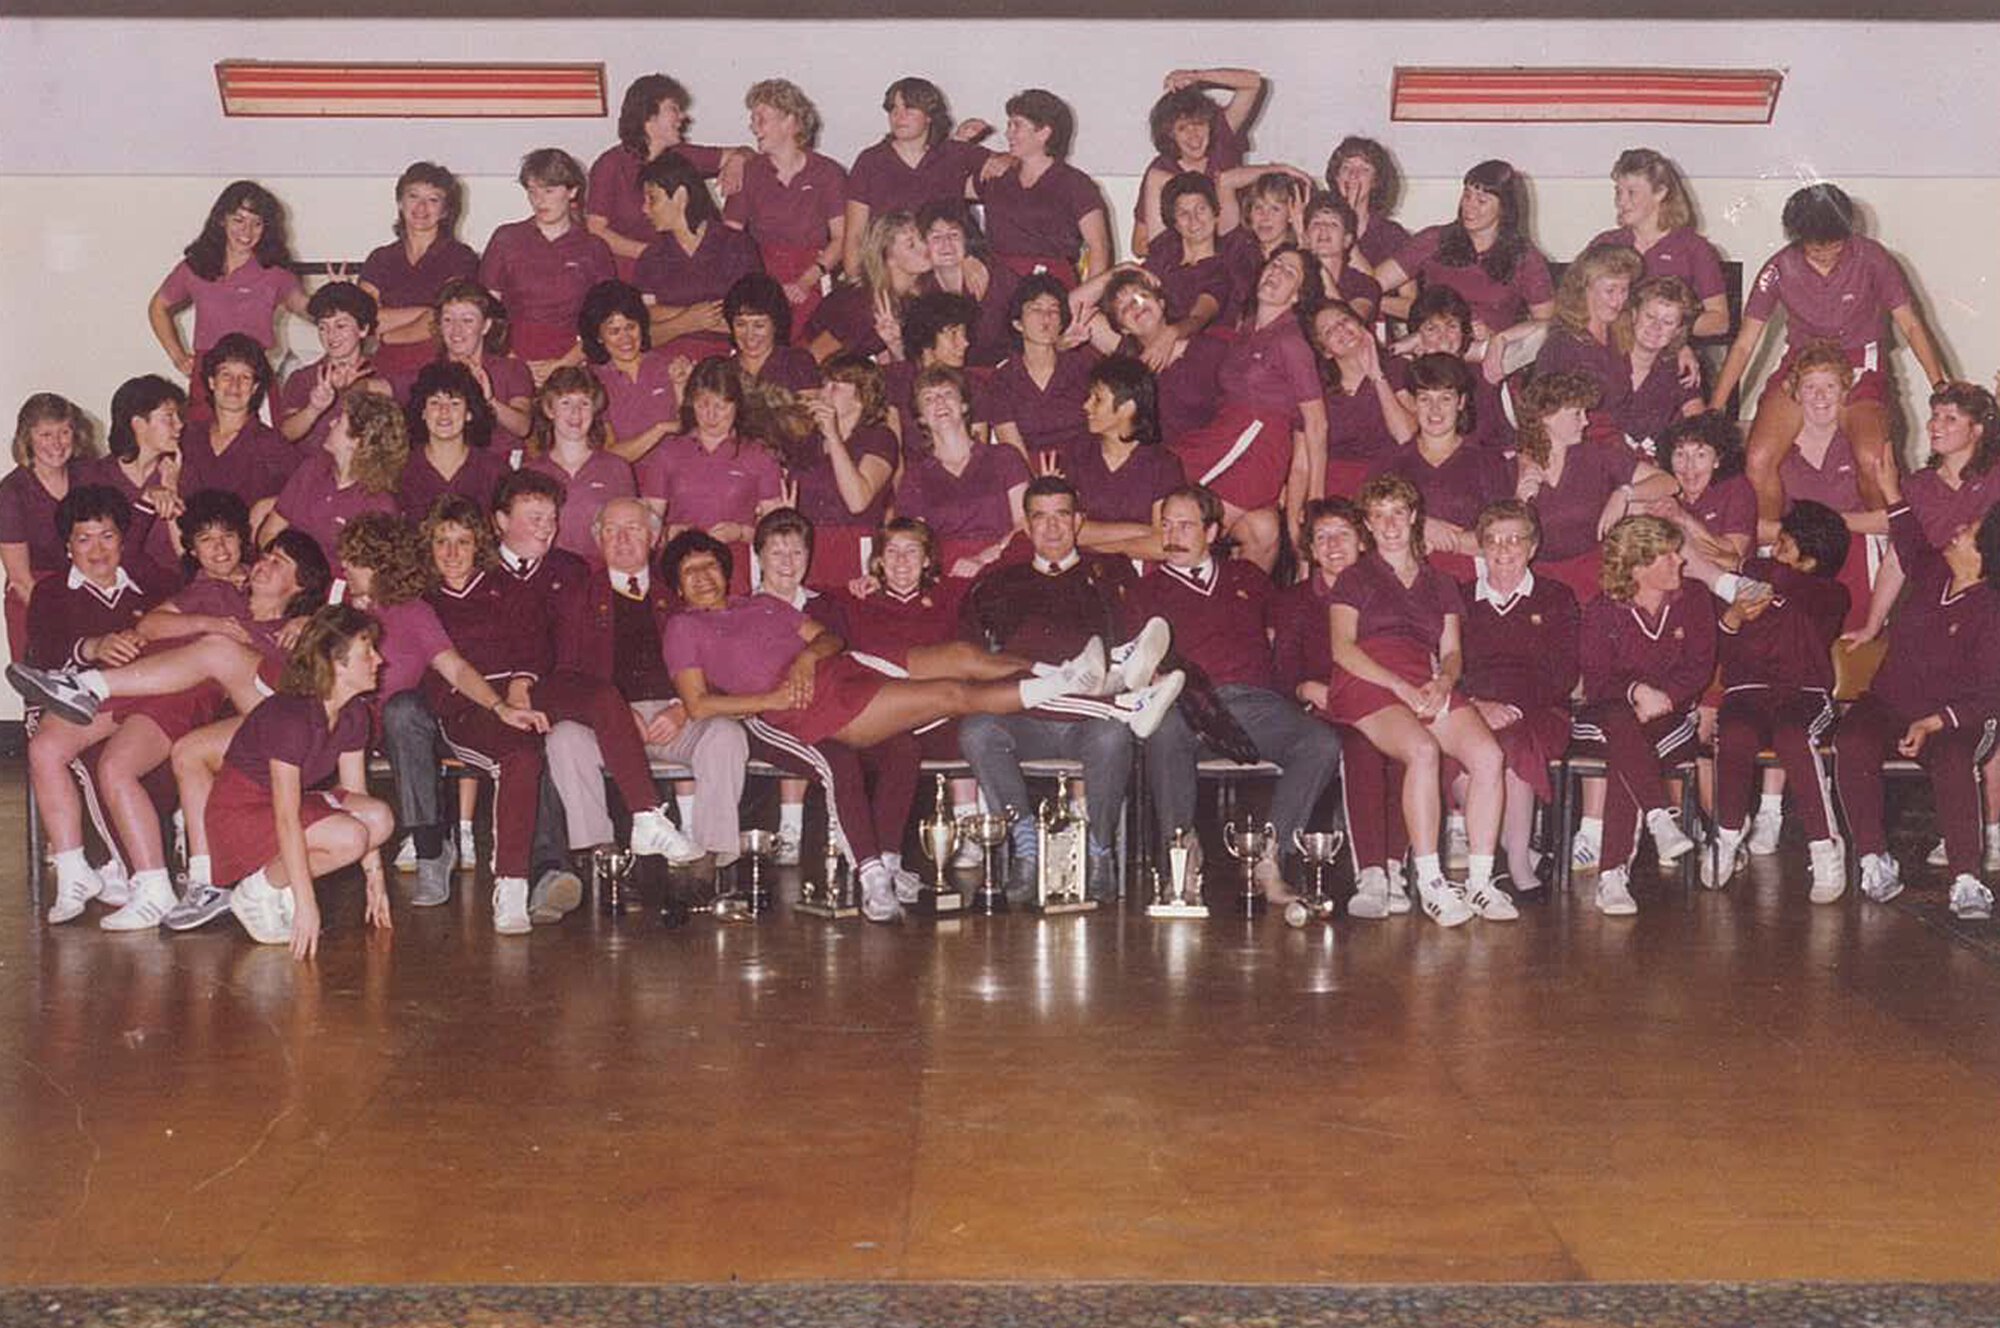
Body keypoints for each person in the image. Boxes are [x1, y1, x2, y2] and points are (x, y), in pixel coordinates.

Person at [664, 527, 1173, 919]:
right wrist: (776, 691)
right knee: (956, 693)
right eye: (691, 573)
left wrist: (803, 659)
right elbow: (700, 704)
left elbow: (827, 640)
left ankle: (1086, 676)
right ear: (679, 585)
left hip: (841, 672)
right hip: (811, 708)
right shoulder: (685, 626)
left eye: (710, 567)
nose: (704, 578)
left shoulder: (761, 607)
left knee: (960, 655)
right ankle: (1115, 705)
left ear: (726, 570)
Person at [11, 525, 329, 932]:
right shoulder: (220, 596)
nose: (261, 564)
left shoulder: (303, 628)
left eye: (276, 562)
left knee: (211, 656)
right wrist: (209, 620)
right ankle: (125, 880)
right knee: (56, 746)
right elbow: (150, 627)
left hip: (239, 707)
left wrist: (310, 619)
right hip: (156, 686)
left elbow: (335, 646)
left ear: (300, 584)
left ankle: (84, 684)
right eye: (264, 556)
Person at [421, 494, 693, 933]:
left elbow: (533, 642)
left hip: (521, 688)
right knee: (522, 759)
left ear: (480, 545)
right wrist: (501, 705)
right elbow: (448, 667)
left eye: (463, 542)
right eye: (441, 542)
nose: (452, 553)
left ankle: (646, 817)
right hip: (471, 705)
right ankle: (510, 886)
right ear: (429, 548)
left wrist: (523, 681)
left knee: (603, 696)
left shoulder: (501, 585)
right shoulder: (423, 603)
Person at [956, 477, 1177, 901]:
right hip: (1025, 715)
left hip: (1089, 717)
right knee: (977, 730)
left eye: (1062, 516)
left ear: (1078, 521)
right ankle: (1025, 846)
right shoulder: (997, 584)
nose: (1052, 528)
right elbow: (974, 659)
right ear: (1026, 525)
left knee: (1113, 737)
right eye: (1040, 517)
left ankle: (1098, 851)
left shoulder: (1111, 573)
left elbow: (1144, 643)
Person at [329, 513, 551, 913]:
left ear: (377, 564)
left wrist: (499, 706)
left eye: (352, 560)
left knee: (404, 709)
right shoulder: (337, 606)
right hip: (344, 724)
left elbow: (456, 668)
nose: (343, 568)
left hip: (398, 725)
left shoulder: (413, 612)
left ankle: (431, 850)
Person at [1133, 485, 1342, 902]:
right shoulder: (1146, 591)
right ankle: (1181, 860)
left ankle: (1271, 859)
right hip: (1186, 706)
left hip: (1253, 704)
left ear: (1212, 532)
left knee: (1320, 741)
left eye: (1186, 525)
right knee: (1163, 728)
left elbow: (1295, 625)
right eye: (1167, 525)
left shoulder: (1247, 577)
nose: (1172, 535)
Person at [1324, 474, 1510, 926]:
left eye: (1398, 513)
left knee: (1488, 755)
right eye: (1379, 514)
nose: (1389, 524)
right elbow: (1342, 649)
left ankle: (1481, 883)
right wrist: (1400, 687)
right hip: (1368, 681)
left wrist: (1443, 683)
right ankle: (1430, 881)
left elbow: (1451, 652)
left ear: (1413, 518)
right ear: (1368, 523)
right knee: (1423, 751)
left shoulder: (1440, 582)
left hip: (1424, 680)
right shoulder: (1354, 578)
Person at [1710, 182, 1948, 524]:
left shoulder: (1873, 258)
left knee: (1872, 460)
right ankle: (1769, 552)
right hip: (1803, 366)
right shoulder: (1779, 267)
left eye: (1834, 247)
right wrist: (1716, 408)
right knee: (1759, 460)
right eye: (1814, 249)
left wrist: (1939, 385)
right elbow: (1746, 343)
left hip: (1857, 363)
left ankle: (1886, 547)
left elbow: (1911, 324)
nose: (1824, 256)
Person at [1834, 452, 2000, 921]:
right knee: (1852, 738)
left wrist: (1933, 722)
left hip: (1956, 718)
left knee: (1952, 759)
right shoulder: (1934, 573)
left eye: (1967, 533)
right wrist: (1890, 489)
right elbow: (1908, 538)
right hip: (1891, 704)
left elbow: (1991, 695)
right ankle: (1873, 860)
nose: (1956, 530)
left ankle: (1967, 879)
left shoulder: (1991, 608)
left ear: (1986, 554)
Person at [545, 497, 749, 871]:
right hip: (607, 726)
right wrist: (614, 714)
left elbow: (721, 667)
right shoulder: (577, 597)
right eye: (611, 530)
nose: (622, 540)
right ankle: (601, 855)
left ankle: (710, 858)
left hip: (679, 718)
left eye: (633, 529)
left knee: (726, 734)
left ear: (653, 536)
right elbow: (564, 676)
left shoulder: (677, 589)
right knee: (564, 739)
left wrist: (684, 708)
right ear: (598, 540)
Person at [199, 604, 396, 959]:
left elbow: (355, 793)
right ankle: (259, 890)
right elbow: (286, 817)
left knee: (378, 818)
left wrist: (375, 878)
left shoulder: (353, 712)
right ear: (337, 663)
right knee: (349, 838)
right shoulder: (289, 717)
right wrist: (308, 905)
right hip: (239, 814)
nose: (379, 660)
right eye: (368, 652)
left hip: (281, 809)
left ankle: (279, 884)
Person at [14, 486, 163, 923]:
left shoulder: (149, 584)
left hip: (141, 700)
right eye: (84, 539)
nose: (97, 550)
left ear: (123, 539)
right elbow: (44, 650)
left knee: (106, 757)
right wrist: (94, 646)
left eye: (107, 536)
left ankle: (126, 867)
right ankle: (74, 867)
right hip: (81, 700)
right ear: (67, 545)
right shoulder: (52, 592)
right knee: (45, 747)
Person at [1699, 500, 1851, 901]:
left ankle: (1824, 845)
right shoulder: (1754, 579)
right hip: (1747, 691)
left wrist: (1746, 571)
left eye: (1783, 544)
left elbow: (1774, 580)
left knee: (1792, 735)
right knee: (1733, 732)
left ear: (1811, 560)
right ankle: (1727, 834)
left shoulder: (1829, 593)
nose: (1773, 552)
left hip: (1803, 695)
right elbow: (1723, 643)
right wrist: (1731, 618)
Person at [1270, 497, 1411, 916]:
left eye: (1343, 535)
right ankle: (1370, 873)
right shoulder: (1295, 600)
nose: (1333, 546)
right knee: (1360, 746)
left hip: (1381, 703)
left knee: (1408, 748)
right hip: (1326, 709)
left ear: (1362, 542)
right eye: (1322, 538)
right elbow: (1279, 675)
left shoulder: (1384, 592)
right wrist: (1304, 688)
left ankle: (1393, 868)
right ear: (1311, 550)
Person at [1573, 515, 1713, 916]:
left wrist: (1664, 696)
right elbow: (1598, 680)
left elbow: (1699, 667)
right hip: (1606, 714)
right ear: (1636, 566)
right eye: (1666, 557)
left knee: (1628, 750)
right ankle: (1658, 817)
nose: (1679, 563)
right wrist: (1637, 690)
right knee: (1622, 725)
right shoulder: (1602, 610)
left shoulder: (1695, 599)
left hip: (1669, 717)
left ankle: (1612, 875)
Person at [1456, 500, 1581, 892]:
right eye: (1493, 540)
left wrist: (1510, 708)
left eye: (1515, 540)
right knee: (1466, 745)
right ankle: (1506, 846)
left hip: (1541, 710)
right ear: (1481, 547)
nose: (1504, 550)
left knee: (1512, 740)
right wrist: (1476, 706)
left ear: (1533, 547)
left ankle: (1515, 857)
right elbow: (1445, 665)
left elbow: (1564, 673)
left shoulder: (1556, 597)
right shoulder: (1458, 599)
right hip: (1473, 708)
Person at [1511, 370, 1678, 606]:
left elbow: (1669, 483)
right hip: (1538, 580)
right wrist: (1519, 500)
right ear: (1546, 416)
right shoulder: (1515, 466)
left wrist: (1624, 493)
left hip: (1595, 575)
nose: (1586, 421)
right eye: (1577, 413)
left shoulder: (1596, 454)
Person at [147, 181, 308, 417]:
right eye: (239, 220)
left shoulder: (275, 272)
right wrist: (178, 357)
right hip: (208, 376)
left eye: (257, 223)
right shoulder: (197, 266)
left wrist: (338, 295)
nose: (247, 232)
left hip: (253, 377)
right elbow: (158, 307)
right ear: (222, 219)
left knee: (260, 449)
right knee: (202, 448)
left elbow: (309, 308)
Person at [634, 356, 784, 583]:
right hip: (680, 566)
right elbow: (648, 526)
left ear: (738, 405)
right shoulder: (668, 451)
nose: (711, 415)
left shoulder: (759, 453)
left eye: (721, 406)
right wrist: (669, 532)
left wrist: (741, 532)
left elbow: (776, 533)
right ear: (691, 402)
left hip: (737, 567)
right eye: (702, 404)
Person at [1371, 160, 1555, 343]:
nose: (1469, 206)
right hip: (1435, 356)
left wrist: (1499, 338)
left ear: (1504, 209)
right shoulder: (1433, 240)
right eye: (1467, 196)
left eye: (1481, 200)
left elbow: (1546, 326)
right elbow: (1369, 285)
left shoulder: (1525, 258)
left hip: (1492, 359)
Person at [587, 73, 743, 281]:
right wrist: (653, 254)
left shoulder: (682, 156)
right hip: (632, 277)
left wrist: (739, 160)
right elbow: (596, 231)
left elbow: (745, 154)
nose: (683, 117)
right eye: (674, 109)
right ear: (649, 115)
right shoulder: (611, 165)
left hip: (682, 272)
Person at [1368, 352, 1510, 578]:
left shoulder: (1487, 461)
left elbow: (1506, 534)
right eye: (1425, 398)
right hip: (1401, 582)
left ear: (1461, 402)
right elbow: (1368, 528)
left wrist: (1449, 540)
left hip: (1469, 580)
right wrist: (1419, 526)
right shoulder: (1390, 462)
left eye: (1445, 398)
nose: (1435, 409)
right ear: (1414, 403)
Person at [479, 148, 615, 380]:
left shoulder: (594, 248)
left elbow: (605, 318)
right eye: (532, 191)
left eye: (549, 191)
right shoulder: (506, 238)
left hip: (574, 357)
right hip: (512, 354)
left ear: (572, 191)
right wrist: (511, 361)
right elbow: (484, 309)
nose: (539, 200)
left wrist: (565, 363)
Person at [725, 79, 846, 330]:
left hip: (813, 273)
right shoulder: (750, 171)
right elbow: (730, 238)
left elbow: (841, 238)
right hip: (760, 274)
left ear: (790, 121)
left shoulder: (828, 173)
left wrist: (806, 279)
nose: (753, 126)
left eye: (761, 118)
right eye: (752, 118)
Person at [841, 77, 992, 279]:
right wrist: (856, 282)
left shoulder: (954, 153)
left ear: (929, 115)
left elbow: (1008, 165)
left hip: (943, 273)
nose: (898, 116)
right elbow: (855, 235)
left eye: (909, 109)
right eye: (893, 109)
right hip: (889, 275)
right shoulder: (870, 161)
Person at [892, 365, 1030, 577]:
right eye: (928, 398)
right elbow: (912, 540)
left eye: (948, 394)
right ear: (920, 418)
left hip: (1004, 565)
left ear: (964, 405)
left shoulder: (1005, 457)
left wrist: (984, 558)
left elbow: (1025, 523)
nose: (939, 402)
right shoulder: (916, 475)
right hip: (946, 574)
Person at [632, 151, 766, 357]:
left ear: (680, 196)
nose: (645, 209)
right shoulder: (651, 257)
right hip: (666, 362)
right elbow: (643, 333)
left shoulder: (736, 246)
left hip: (725, 361)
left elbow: (750, 323)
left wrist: (666, 313)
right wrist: (688, 320)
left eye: (652, 199)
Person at [1588, 148, 1728, 339]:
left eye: (1631, 193)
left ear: (1660, 193)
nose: (1621, 201)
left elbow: (1719, 320)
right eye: (1618, 192)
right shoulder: (1606, 243)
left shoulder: (1694, 248)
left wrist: (1667, 333)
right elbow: (1576, 302)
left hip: (1670, 353)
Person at [358, 161, 482, 376]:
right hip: (384, 367)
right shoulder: (380, 258)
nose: (421, 207)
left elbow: (446, 319)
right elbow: (363, 319)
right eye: (413, 196)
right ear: (400, 202)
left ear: (445, 211)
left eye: (433, 199)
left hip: (440, 368)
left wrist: (387, 336)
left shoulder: (460, 257)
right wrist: (424, 312)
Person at [974, 88, 1110, 284]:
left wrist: (1087, 301)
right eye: (1008, 125)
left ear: (1044, 133)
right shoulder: (997, 174)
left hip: (1050, 287)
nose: (1007, 133)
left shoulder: (1076, 184)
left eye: (1016, 125)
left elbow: (1099, 247)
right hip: (998, 283)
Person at [258, 387, 405, 566]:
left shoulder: (378, 504)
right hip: (286, 576)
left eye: (339, 421)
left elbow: (365, 576)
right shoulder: (312, 469)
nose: (330, 423)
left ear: (357, 441)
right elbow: (269, 532)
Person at [790, 354, 897, 588]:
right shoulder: (807, 441)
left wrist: (833, 436)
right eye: (824, 384)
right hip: (809, 548)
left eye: (836, 386)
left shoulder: (879, 438)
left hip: (854, 548)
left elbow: (858, 500)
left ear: (861, 396)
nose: (824, 393)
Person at [1059, 354, 1185, 553]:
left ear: (1127, 408)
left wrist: (1104, 545)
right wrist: (1141, 531)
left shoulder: (1163, 464)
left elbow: (1165, 543)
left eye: (1098, 399)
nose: (1086, 405)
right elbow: (1064, 530)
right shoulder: (1076, 451)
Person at [1131, 66, 1262, 256]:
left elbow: (1253, 82)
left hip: (1236, 255)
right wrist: (1194, 235)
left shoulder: (1222, 142)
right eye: (1183, 128)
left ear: (1210, 124)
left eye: (1199, 124)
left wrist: (1197, 77)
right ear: (1170, 134)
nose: (1194, 136)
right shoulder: (1160, 172)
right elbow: (1139, 245)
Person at [2, 393, 96, 656]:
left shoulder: (88, 473)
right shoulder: (12, 491)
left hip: (88, 588)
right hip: (34, 597)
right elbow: (20, 579)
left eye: (64, 432)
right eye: (45, 435)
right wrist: (64, 622)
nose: (56, 444)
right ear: (27, 438)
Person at [175, 334, 295, 532]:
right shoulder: (187, 435)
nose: (234, 385)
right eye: (226, 375)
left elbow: (308, 490)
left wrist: (269, 504)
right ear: (212, 382)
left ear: (255, 388)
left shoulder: (271, 443)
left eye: (245, 377)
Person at [520, 365, 637, 562]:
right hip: (548, 581)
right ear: (549, 409)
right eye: (565, 403)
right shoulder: (529, 472)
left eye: (584, 403)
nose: (576, 413)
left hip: (601, 579)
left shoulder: (617, 468)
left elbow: (632, 536)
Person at [80, 375, 186, 587]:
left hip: (171, 592)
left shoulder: (184, 472)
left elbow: (188, 554)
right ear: (138, 424)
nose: (180, 425)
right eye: (169, 417)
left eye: (179, 416)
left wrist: (171, 488)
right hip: (112, 591)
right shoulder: (96, 477)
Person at [417, 278, 536, 455]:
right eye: (448, 320)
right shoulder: (430, 373)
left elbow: (523, 426)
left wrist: (490, 401)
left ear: (486, 326)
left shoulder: (511, 369)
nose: (456, 330)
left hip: (501, 464)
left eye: (467, 320)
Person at [987, 273, 1098, 463]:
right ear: (1018, 324)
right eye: (1036, 309)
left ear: (1062, 323)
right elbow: (1014, 452)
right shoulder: (1002, 380)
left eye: (1054, 310)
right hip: (1032, 476)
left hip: (1087, 467)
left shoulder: (1083, 366)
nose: (1046, 317)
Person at [1312, 299, 1414, 497]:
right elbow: (1307, 457)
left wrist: (1376, 374)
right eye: (1329, 330)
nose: (1341, 328)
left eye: (1345, 320)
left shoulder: (1396, 368)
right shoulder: (1319, 390)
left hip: (1388, 486)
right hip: (1337, 489)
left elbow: (1405, 435)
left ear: (1361, 325)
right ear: (1325, 351)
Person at [803, 210, 931, 363]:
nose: (925, 247)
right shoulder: (862, 304)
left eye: (922, 239)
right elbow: (812, 359)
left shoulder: (909, 298)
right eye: (911, 245)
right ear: (888, 258)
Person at [276, 282, 390, 454]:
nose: (331, 335)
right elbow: (284, 435)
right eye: (323, 327)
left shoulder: (381, 373)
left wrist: (352, 390)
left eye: (341, 326)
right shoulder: (302, 378)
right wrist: (313, 409)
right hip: (310, 473)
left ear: (363, 329)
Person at [579, 279, 682, 463]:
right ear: (599, 337)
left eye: (631, 327)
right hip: (624, 481)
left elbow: (688, 431)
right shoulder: (592, 380)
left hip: (675, 473)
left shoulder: (668, 365)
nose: (626, 338)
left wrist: (681, 385)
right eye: (614, 331)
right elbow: (609, 454)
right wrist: (660, 429)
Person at [396, 360, 507, 522]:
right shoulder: (401, 470)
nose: (444, 411)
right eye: (435, 402)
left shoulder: (495, 471)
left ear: (469, 413)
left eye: (454, 403)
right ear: (422, 412)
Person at [1324, 136, 1410, 275]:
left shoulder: (1392, 235)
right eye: (1346, 167)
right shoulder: (1319, 225)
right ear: (1336, 176)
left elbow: (1374, 287)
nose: (1353, 174)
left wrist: (1348, 219)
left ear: (1375, 181)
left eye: (1364, 169)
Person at [725, 273, 822, 393]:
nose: (749, 335)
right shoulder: (724, 371)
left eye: (759, 325)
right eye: (741, 325)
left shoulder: (796, 363)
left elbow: (808, 408)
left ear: (776, 324)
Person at [1302, 193, 1381, 323]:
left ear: (1347, 240)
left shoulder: (1364, 284)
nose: (1323, 228)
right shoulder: (1294, 277)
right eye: (1316, 223)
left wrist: (1322, 272)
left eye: (1333, 224)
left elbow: (1351, 324)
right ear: (1306, 238)